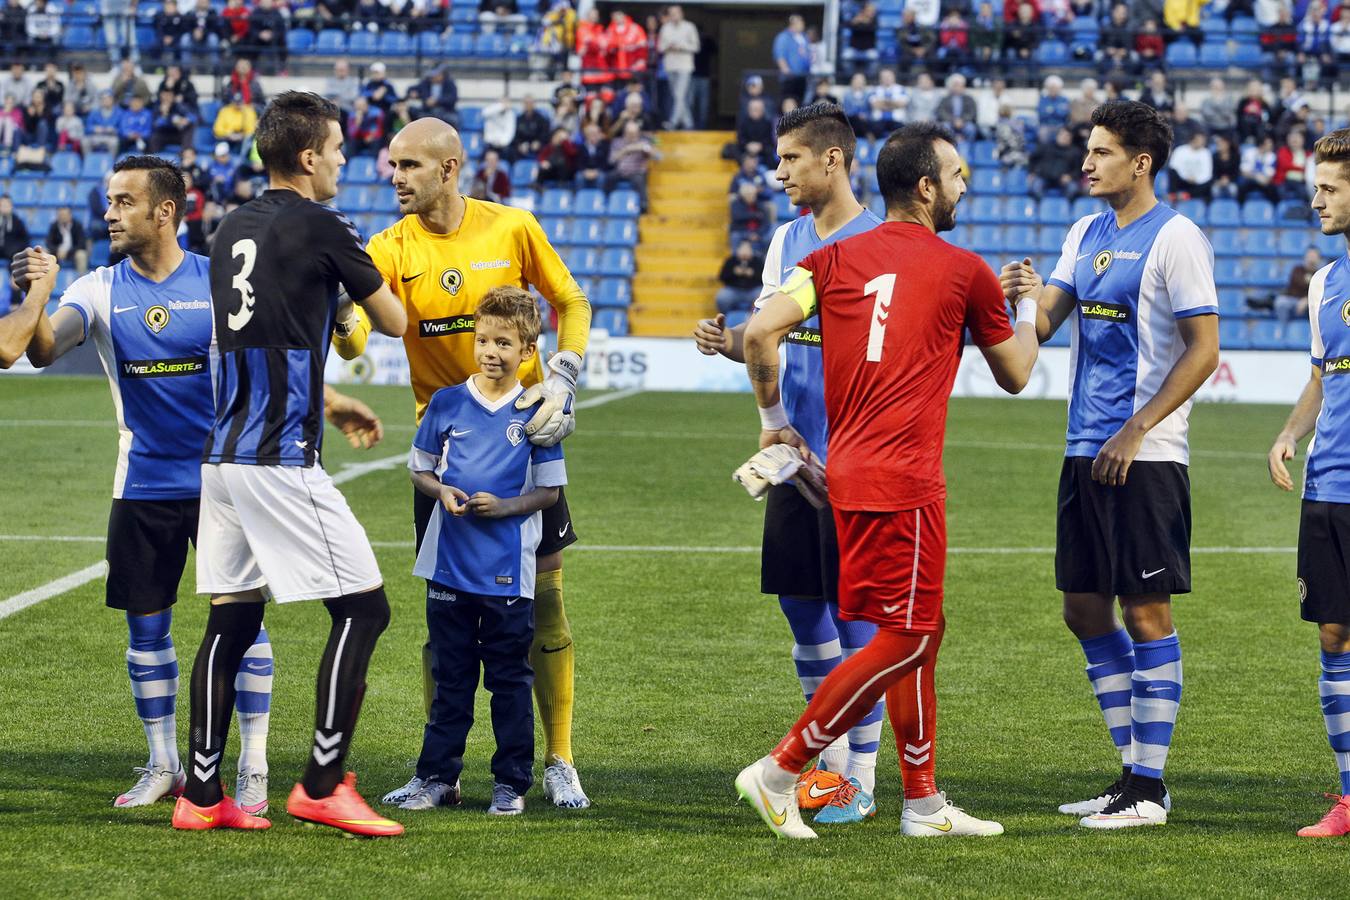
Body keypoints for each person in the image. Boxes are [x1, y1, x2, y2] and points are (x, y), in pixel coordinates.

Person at [733, 121, 1039, 839]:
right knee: (902, 639)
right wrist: (1024, 303)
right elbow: (1019, 373)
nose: (966, 186)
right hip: (906, 482)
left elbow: (755, 334)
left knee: (920, 631)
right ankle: (779, 771)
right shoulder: (964, 269)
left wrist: (773, 418)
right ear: (927, 187)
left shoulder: (830, 258)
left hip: (844, 474)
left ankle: (925, 803)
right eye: (959, 174)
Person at [328, 116, 594, 810]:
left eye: (409, 166)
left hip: (524, 444)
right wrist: (341, 316)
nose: (395, 178)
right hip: (443, 455)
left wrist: (561, 378)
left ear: (449, 169)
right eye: (391, 166)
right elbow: (358, 339)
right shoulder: (388, 247)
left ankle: (558, 758)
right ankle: (437, 774)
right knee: (444, 618)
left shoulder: (511, 226)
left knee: (543, 606)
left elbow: (571, 299)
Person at [170, 91, 408, 836]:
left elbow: (262, 324)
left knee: (232, 618)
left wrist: (329, 354)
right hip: (278, 453)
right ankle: (322, 781)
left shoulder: (229, 225)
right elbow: (394, 322)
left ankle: (200, 797)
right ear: (308, 157)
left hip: (223, 451)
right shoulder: (321, 222)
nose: (344, 159)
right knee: (364, 607)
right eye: (337, 148)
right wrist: (348, 306)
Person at [16, 157, 275, 813]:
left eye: (124, 201)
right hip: (143, 484)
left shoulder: (221, 282)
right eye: (108, 200)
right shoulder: (98, 288)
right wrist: (37, 295)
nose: (109, 212)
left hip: (223, 484)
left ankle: (254, 769)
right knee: (146, 628)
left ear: (165, 211)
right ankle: (164, 764)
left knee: (242, 626)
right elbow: (41, 351)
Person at [999, 100, 1220, 830]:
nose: (1086, 162)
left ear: (1141, 162)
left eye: (1101, 151)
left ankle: (1149, 787)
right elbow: (1047, 320)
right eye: (1087, 150)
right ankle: (1132, 777)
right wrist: (1021, 301)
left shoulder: (1177, 237)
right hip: (1083, 450)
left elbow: (1203, 350)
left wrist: (1138, 427)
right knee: (1083, 607)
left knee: (1145, 609)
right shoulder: (1086, 231)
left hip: (1145, 455)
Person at [400, 286, 567, 815]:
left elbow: (550, 492)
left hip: (507, 574)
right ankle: (435, 778)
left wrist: (508, 507)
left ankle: (510, 783)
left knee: (509, 681)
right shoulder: (448, 402)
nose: (490, 351)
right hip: (449, 567)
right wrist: (441, 491)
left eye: (503, 342)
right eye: (483, 340)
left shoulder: (538, 411)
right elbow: (419, 468)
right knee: (451, 679)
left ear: (527, 351)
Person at [1268, 128, 1350, 838]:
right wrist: (1291, 433)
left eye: (1328, 189)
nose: (1315, 200)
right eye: (1314, 187)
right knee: (1333, 633)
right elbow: (1323, 378)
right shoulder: (1325, 281)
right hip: (1328, 487)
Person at [657, 4, 699, 130]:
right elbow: (660, 47)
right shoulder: (665, 28)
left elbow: (696, 47)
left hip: (685, 66)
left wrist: (681, 47)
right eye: (671, 14)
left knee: (680, 94)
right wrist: (669, 47)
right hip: (670, 66)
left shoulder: (689, 27)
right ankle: (688, 123)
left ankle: (673, 122)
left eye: (676, 13)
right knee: (677, 96)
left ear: (681, 14)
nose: (674, 16)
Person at [715, 238, 763, 314]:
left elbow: (764, 279)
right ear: (737, 250)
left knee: (762, 297)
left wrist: (753, 274)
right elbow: (721, 277)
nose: (745, 252)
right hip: (734, 290)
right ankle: (725, 318)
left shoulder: (757, 261)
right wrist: (733, 272)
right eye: (742, 249)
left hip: (752, 290)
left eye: (747, 249)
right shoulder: (731, 260)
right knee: (722, 297)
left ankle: (755, 318)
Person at [774, 14, 812, 105]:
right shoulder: (784, 37)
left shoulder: (804, 37)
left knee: (800, 103)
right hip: (790, 78)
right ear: (793, 24)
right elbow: (780, 56)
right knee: (789, 102)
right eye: (800, 22)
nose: (803, 24)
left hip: (803, 77)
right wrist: (786, 71)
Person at [45, 205, 88, 274]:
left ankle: (82, 277)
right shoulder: (54, 226)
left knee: (81, 255)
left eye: (65, 215)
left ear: (70, 215)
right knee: (44, 252)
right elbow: (48, 243)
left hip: (72, 252)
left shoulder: (77, 225)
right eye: (60, 215)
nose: (63, 217)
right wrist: (57, 251)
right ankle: (46, 279)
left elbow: (81, 244)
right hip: (57, 253)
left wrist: (67, 252)